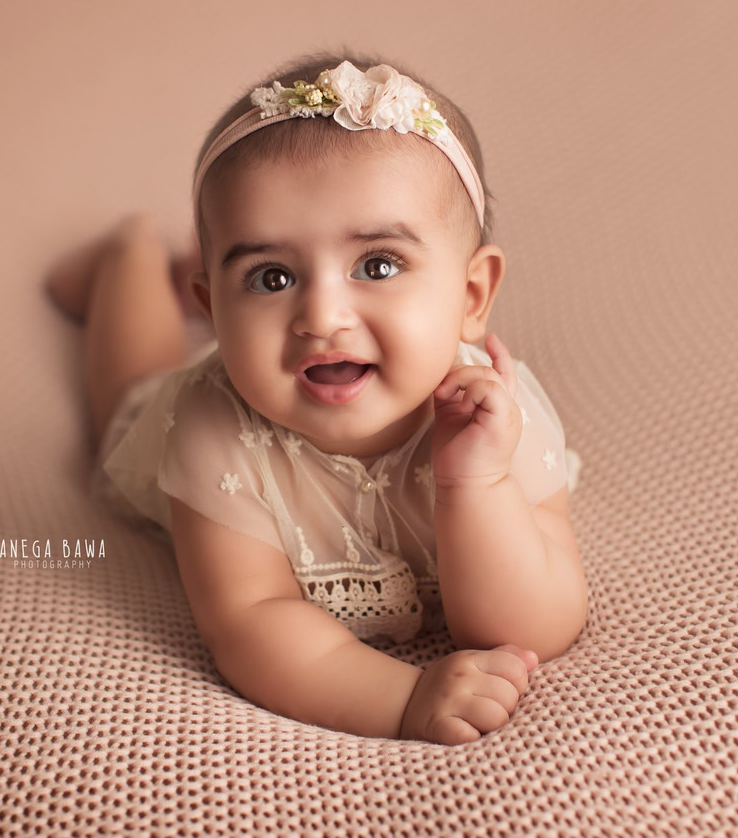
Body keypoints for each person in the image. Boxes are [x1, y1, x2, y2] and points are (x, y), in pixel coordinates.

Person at [45, 51, 586, 745]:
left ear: (472, 295)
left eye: (378, 265)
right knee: (130, 395)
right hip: (186, 433)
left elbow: (537, 623)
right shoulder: (212, 429)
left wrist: (475, 482)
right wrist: (405, 694)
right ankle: (130, 255)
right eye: (271, 276)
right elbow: (252, 618)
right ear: (213, 312)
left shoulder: (492, 411)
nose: (323, 316)